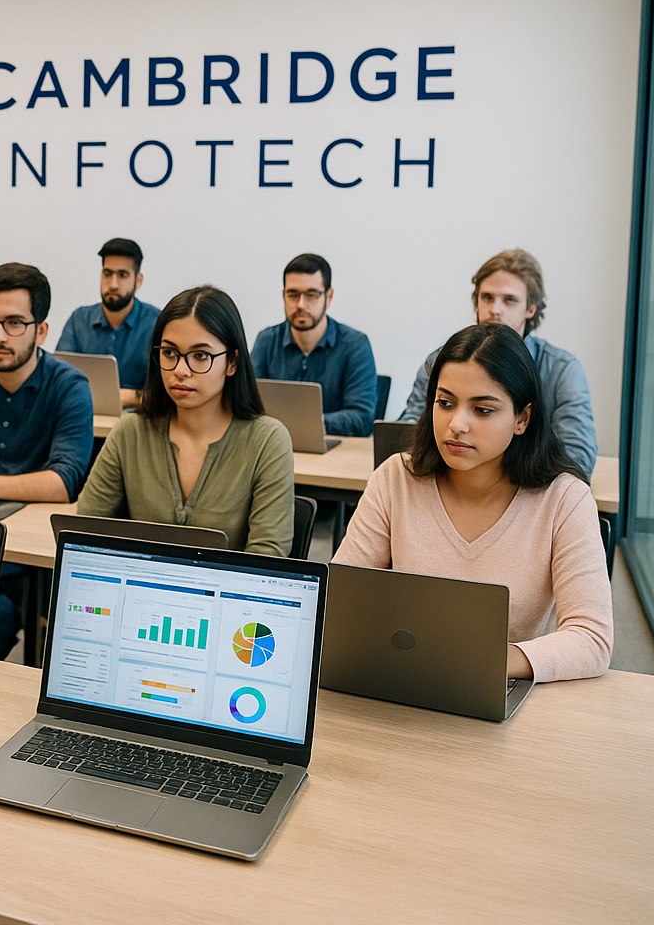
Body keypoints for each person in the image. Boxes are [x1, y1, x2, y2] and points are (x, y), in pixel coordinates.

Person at [336, 323, 613, 682]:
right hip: (405, 682)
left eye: (482, 410)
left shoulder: (564, 498)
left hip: (509, 690)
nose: (457, 424)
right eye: (445, 403)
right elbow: (338, 603)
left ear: (522, 419)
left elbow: (592, 639)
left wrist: (481, 661)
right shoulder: (395, 478)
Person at [0, 262, 94, 660]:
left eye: (14, 324)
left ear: (41, 330)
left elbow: (64, 482)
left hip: (32, 563)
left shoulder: (69, 386)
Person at [79, 285, 295, 555]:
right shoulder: (130, 431)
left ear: (232, 362)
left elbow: (267, 557)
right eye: (169, 353)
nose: (181, 370)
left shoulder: (267, 440)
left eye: (200, 356)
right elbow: (83, 533)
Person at [399, 248, 596, 477]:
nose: (495, 310)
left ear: (531, 308)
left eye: (509, 300)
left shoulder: (563, 370)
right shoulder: (442, 362)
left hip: (528, 492)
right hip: (450, 485)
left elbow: (578, 456)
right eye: (487, 298)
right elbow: (408, 433)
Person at [250, 252, 379, 436]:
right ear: (283, 296)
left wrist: (307, 424)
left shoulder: (355, 345)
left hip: (334, 454)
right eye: (293, 295)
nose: (301, 304)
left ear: (329, 296)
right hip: (273, 445)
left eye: (311, 295)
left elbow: (362, 418)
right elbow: (245, 403)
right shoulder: (266, 340)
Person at [55, 237, 161, 406]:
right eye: (107, 274)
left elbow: (165, 392)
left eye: (122, 275)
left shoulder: (156, 323)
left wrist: (133, 398)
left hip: (139, 422)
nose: (113, 284)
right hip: (85, 417)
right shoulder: (79, 320)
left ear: (138, 280)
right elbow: (59, 379)